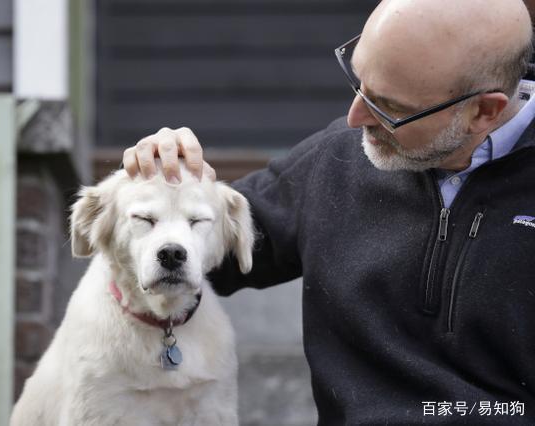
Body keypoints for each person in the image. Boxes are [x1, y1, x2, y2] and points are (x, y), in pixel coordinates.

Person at [121, 0, 535, 423]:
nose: (355, 119)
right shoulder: (335, 157)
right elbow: (213, 252)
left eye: (390, 107)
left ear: (484, 111)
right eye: (359, 83)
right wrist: (169, 191)